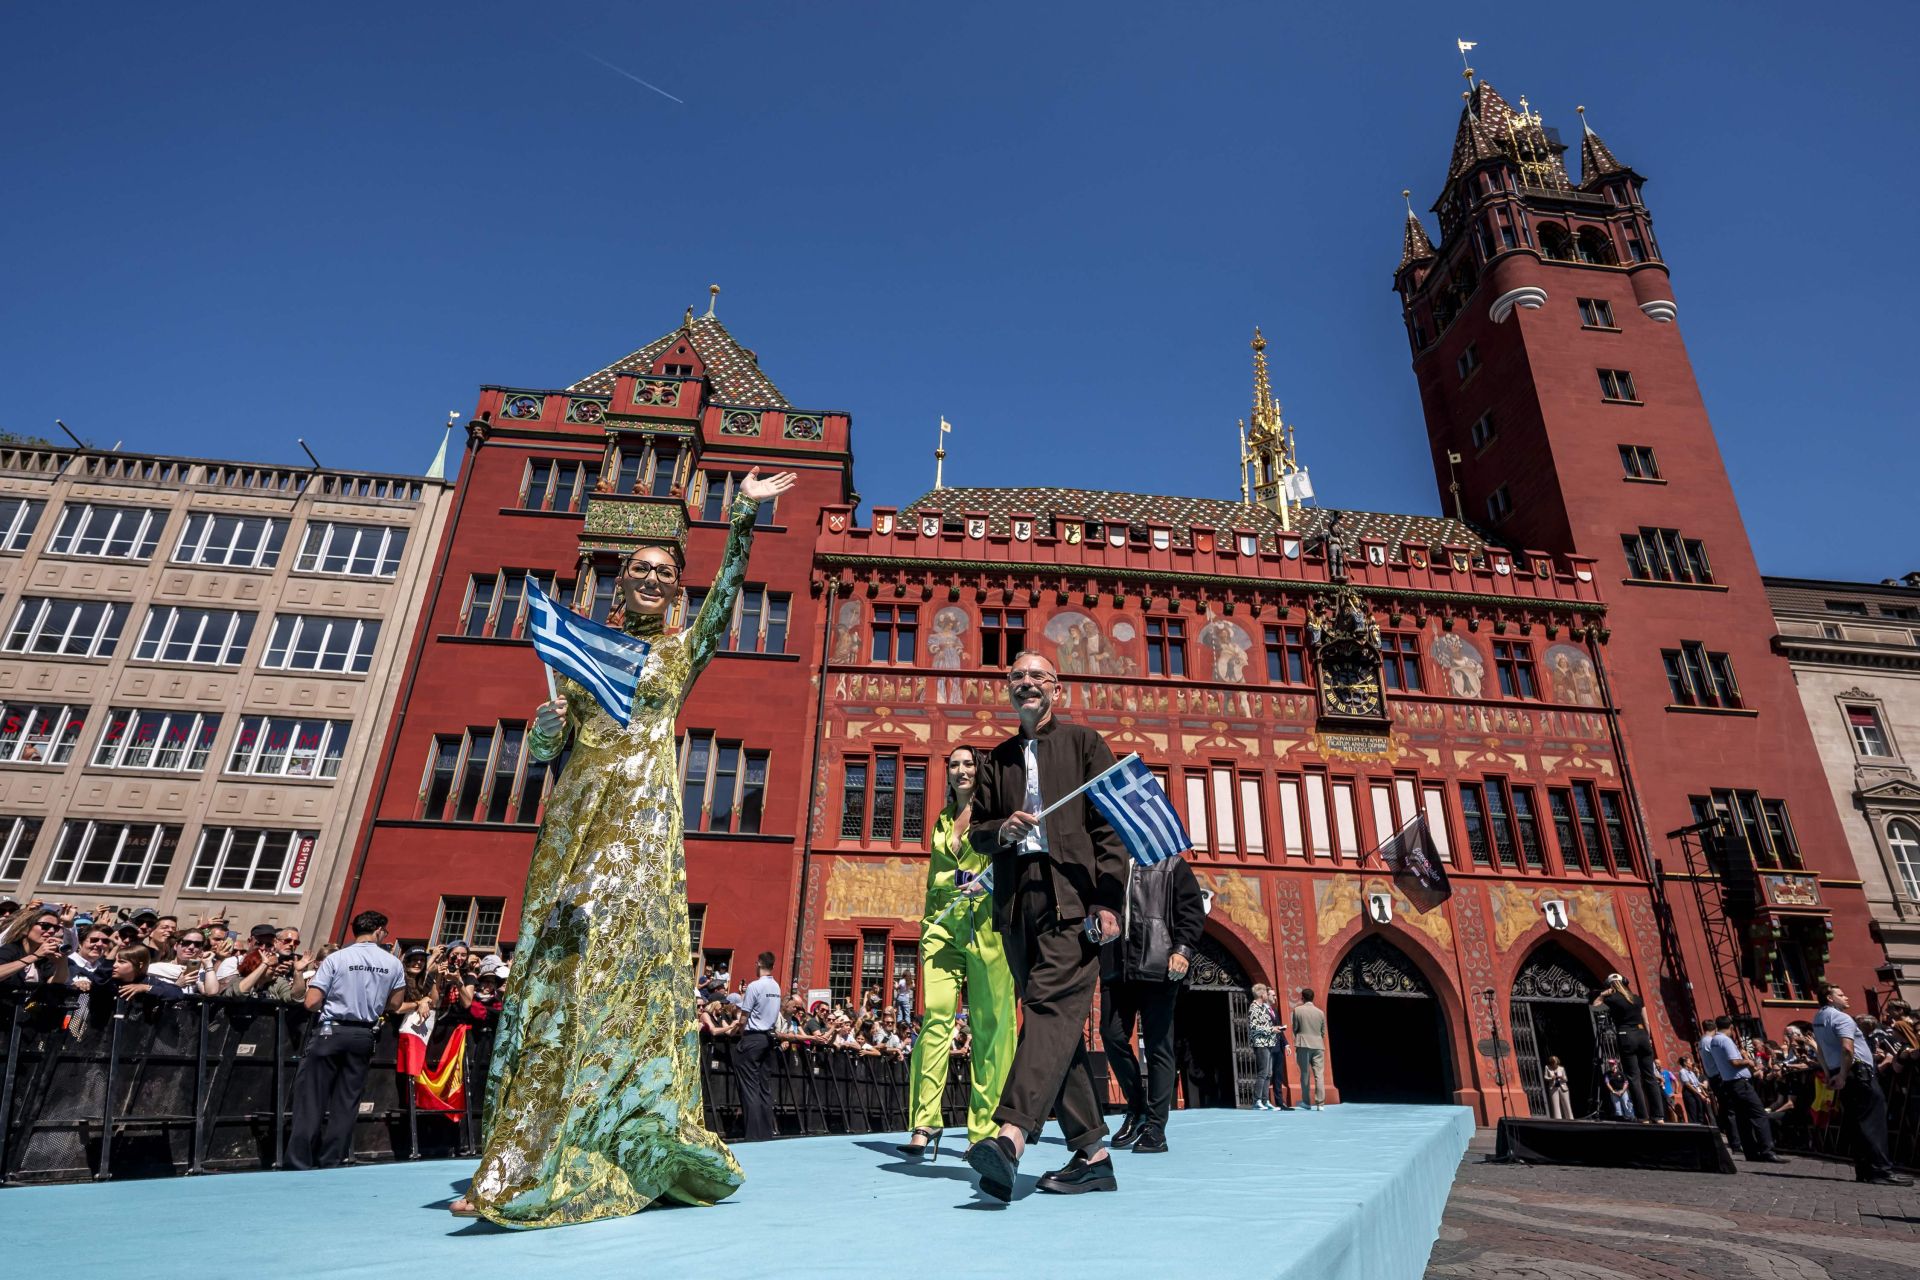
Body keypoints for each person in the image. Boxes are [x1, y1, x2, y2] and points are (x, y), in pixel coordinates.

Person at [451, 467, 792, 1227]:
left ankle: (620, 1138)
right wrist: (543, 733)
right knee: (562, 982)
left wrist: (740, 518)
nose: (650, 578)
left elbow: (729, 596)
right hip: (578, 819)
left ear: (677, 590)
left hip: (641, 826)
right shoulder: (579, 658)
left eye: (665, 573)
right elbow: (552, 746)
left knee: (622, 982)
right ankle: (523, 1153)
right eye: (639, 569)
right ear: (619, 581)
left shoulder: (676, 656)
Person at [961, 651, 1126, 1202]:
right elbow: (977, 833)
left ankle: (1010, 1138)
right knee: (1056, 1030)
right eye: (1017, 677)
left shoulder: (1084, 745)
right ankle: (1093, 1155)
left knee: (1048, 1011)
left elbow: (1110, 828)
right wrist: (1001, 830)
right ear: (1008, 690)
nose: (1026, 683)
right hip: (1016, 903)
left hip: (1073, 899)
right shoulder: (998, 759)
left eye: (1037, 676)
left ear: (1058, 688)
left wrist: (1108, 900)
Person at [902, 745, 1016, 1160]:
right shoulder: (942, 819)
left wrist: (988, 879)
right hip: (940, 923)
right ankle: (925, 1119)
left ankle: (983, 1129)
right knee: (935, 1015)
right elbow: (936, 873)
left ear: (979, 770)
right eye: (954, 764)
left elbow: (1016, 855)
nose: (961, 770)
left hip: (986, 924)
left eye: (969, 763)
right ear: (946, 773)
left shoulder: (995, 814)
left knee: (990, 1026)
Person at [1100, 850, 1204, 1153]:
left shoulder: (1171, 864)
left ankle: (1156, 1127)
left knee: (1159, 1046)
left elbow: (1192, 911)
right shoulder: (1108, 863)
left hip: (1158, 965)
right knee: (1112, 1035)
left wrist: (1182, 949)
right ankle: (1137, 1108)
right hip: (1116, 966)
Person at [287, 909, 406, 1170]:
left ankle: (300, 1162)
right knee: (347, 1101)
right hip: (364, 1033)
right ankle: (332, 1160)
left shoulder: (337, 958)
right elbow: (395, 1004)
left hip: (332, 1030)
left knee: (312, 1099)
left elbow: (311, 1002)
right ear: (378, 931)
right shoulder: (393, 963)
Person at [1811, 984, 1911, 1186]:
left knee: (1857, 1123)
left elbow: (1819, 1050)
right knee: (1873, 1121)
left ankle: (1865, 1169)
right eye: (1840, 994)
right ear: (1830, 998)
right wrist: (1842, 1074)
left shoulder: (1818, 1018)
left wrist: (1833, 1073)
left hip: (1841, 1072)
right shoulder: (1841, 1018)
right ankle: (1881, 1171)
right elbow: (1848, 1049)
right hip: (1857, 1073)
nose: (1845, 997)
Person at [1705, 1015, 1781, 1163]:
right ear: (1731, 1027)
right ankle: (1767, 1151)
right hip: (1739, 1082)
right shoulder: (1725, 1040)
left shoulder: (1714, 1041)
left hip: (1728, 1083)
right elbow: (1734, 1062)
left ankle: (1751, 1152)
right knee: (1759, 1114)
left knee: (1742, 1119)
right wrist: (1749, 1061)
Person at [1592, 974, 1662, 1125]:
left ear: (1611, 985)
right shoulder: (1636, 998)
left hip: (1626, 1035)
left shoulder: (1613, 999)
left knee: (1633, 1077)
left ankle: (1643, 1117)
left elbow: (1594, 1007)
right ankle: (1659, 1116)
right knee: (1650, 1076)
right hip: (1642, 1034)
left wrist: (1603, 994)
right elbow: (1646, 1021)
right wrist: (1648, 1038)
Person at [727, 951, 781, 1142]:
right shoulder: (776, 987)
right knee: (764, 1087)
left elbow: (744, 1016)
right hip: (768, 1038)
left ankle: (753, 1133)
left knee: (749, 1087)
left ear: (758, 963)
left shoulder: (755, 986)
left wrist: (735, 1031)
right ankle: (766, 1132)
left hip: (752, 1038)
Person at [1248, 985, 1285, 1110]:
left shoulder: (1262, 1008)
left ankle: (1265, 1100)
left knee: (1269, 1073)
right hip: (1261, 1043)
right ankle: (1257, 1101)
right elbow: (1254, 1027)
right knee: (1263, 1072)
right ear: (1261, 994)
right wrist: (1271, 1029)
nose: (1266, 995)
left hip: (1268, 1042)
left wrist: (1276, 1029)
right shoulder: (1254, 1008)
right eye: (1265, 993)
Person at [1292, 988, 1328, 1110]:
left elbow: (1295, 1028)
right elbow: (1323, 1032)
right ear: (1313, 997)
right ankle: (1320, 1104)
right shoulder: (1320, 1013)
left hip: (1303, 1044)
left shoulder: (1297, 1010)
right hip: (1318, 1045)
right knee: (1319, 1075)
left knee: (1305, 1074)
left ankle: (1306, 1102)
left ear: (1302, 997)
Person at [1543, 1054, 1574, 1120]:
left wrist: (1562, 1077)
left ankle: (1570, 1119)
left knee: (1566, 1104)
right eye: (1553, 1063)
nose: (1555, 1065)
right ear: (1551, 1063)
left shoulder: (1561, 1068)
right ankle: (1558, 1120)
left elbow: (1566, 1079)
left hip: (1563, 1087)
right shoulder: (1547, 1067)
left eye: (1556, 1063)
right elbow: (1545, 1077)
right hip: (1553, 1087)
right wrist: (1551, 1078)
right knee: (1555, 1105)